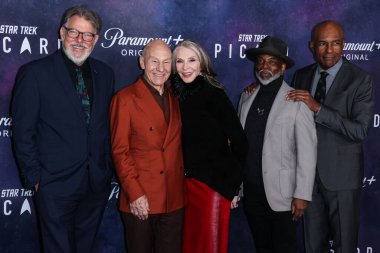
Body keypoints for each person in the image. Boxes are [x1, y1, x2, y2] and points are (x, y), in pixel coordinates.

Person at [11, 6, 115, 253]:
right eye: (73, 32)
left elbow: (103, 127)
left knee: (85, 247)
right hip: (54, 184)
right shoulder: (34, 73)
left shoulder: (106, 74)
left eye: (87, 35)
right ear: (61, 32)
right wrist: (35, 179)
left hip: (96, 182)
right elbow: (23, 131)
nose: (80, 40)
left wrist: (106, 169)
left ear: (96, 40)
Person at [287, 20, 374, 253]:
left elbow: (359, 130)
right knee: (313, 246)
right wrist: (255, 90)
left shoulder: (360, 79)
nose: (329, 50)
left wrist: (318, 109)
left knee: (345, 245)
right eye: (323, 44)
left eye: (335, 44)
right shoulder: (301, 76)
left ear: (343, 44)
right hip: (307, 180)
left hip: (342, 179)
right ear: (312, 46)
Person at [238, 36, 317, 253]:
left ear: (282, 67)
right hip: (252, 192)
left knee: (284, 248)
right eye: (261, 61)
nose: (265, 66)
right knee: (262, 246)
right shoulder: (246, 97)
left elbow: (307, 153)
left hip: (283, 195)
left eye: (272, 62)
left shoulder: (297, 101)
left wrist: (302, 194)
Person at [170, 40, 248, 253]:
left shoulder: (214, 93)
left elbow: (240, 142)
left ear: (202, 63)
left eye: (192, 60)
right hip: (186, 185)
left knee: (210, 246)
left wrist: (232, 187)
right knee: (192, 245)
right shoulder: (175, 93)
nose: (186, 67)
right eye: (180, 61)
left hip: (213, 186)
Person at [110, 40, 185, 253]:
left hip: (174, 199)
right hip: (141, 199)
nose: (160, 69)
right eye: (154, 61)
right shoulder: (124, 99)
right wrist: (134, 194)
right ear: (142, 62)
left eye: (166, 62)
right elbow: (120, 151)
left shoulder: (177, 96)